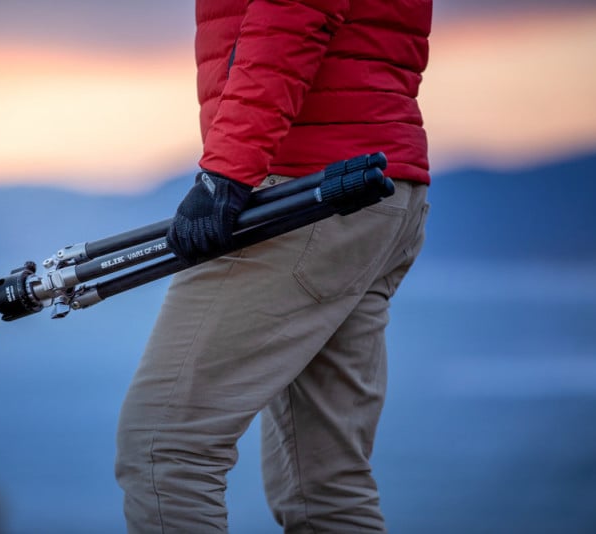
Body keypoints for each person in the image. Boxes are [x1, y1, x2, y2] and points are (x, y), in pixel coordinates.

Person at [115, 0, 432, 531]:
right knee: (325, 486)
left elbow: (293, 7)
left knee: (163, 449)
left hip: (304, 192)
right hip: (378, 189)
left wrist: (227, 173)